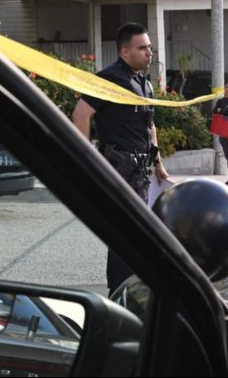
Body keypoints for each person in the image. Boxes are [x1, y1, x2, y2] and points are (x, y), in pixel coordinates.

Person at [71, 22, 169, 294]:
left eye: (150, 47)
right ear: (125, 52)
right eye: (142, 48)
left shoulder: (144, 83)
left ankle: (135, 294)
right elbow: (81, 115)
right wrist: (85, 161)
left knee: (139, 238)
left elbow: (150, 126)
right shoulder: (109, 78)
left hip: (141, 174)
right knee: (124, 239)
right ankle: (118, 299)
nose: (149, 52)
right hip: (119, 171)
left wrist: (158, 162)